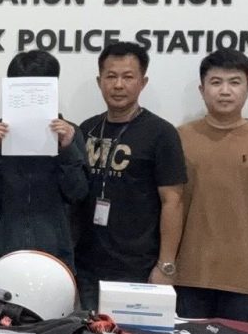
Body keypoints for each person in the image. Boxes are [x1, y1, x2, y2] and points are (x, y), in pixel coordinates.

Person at [172, 48, 248, 323]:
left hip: (247, 284)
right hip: (187, 279)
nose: (225, 91)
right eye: (216, 82)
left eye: (235, 82)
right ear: (202, 89)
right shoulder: (179, 139)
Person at [75, 42, 187, 310]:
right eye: (111, 76)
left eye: (128, 77)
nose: (118, 85)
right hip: (88, 265)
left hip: (139, 267)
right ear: (99, 81)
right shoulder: (86, 130)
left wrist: (166, 265)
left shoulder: (161, 133)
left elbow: (173, 201)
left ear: (142, 82)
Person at [0, 50, 88, 270]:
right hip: (2, 253)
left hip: (55, 255)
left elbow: (78, 194)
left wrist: (67, 149)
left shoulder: (70, 134)